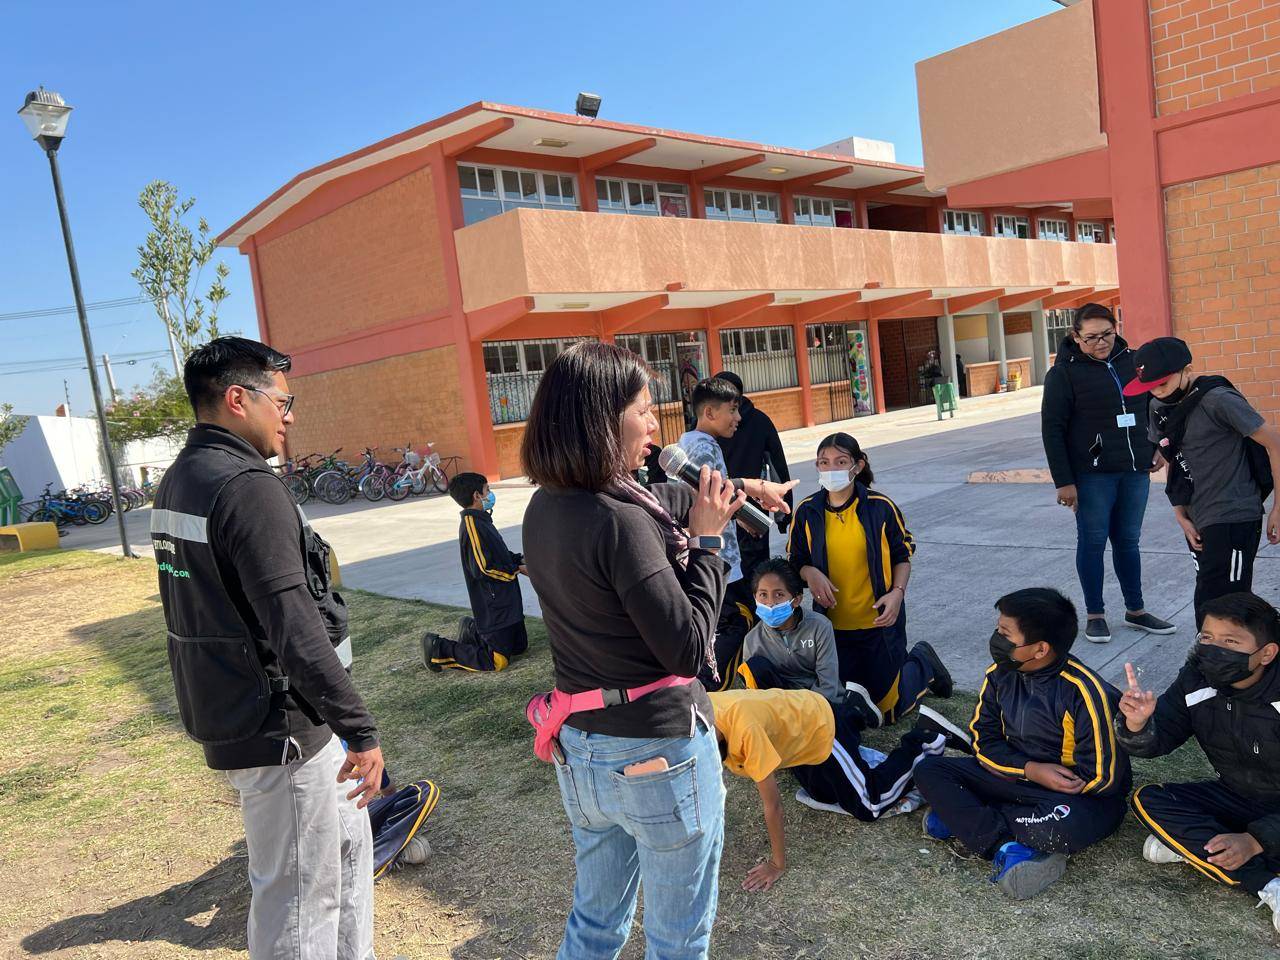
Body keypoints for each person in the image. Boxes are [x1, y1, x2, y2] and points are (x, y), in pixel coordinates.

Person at [519, 341, 792, 959]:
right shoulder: (620, 524)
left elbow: (662, 504)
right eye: (643, 410)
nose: (655, 425)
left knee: (595, 924)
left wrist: (742, 488)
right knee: (677, 939)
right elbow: (689, 649)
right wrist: (709, 545)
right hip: (656, 755)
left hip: (584, 751)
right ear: (600, 419)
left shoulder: (548, 507)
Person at [152, 337, 382, 960]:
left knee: (345, 854)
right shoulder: (247, 486)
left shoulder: (181, 478)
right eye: (282, 400)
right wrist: (360, 730)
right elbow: (293, 624)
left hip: (242, 709)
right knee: (301, 897)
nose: (290, 414)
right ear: (236, 399)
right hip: (284, 725)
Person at [914, 588, 1131, 901]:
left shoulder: (1084, 691)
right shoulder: (999, 675)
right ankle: (1003, 843)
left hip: (1074, 796)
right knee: (930, 770)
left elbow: (1103, 778)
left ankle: (968, 820)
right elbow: (982, 740)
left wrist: (1045, 778)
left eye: (1005, 633)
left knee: (1058, 826)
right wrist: (1029, 769)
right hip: (1017, 777)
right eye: (997, 629)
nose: (996, 639)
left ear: (1040, 649)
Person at [1117, 592, 1280, 932]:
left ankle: (1204, 847)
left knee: (1170, 839)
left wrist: (1254, 841)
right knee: (1150, 799)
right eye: (1207, 637)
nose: (1213, 648)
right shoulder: (1196, 678)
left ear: (1267, 653)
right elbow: (1158, 740)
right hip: (1236, 794)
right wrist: (1138, 724)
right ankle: (1269, 882)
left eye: (1230, 641)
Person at [709, 686, 970, 891]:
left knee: (870, 804)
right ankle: (854, 711)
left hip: (820, 728)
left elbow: (773, 805)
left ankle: (925, 738)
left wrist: (777, 864)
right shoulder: (695, 708)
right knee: (822, 794)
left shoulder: (746, 731)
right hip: (796, 736)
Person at [787, 432, 952, 724]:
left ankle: (922, 661)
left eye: (841, 461)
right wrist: (809, 572)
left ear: (858, 466)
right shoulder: (806, 511)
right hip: (833, 629)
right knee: (850, 708)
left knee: (886, 713)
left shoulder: (880, 507)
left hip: (879, 625)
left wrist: (897, 593)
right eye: (824, 462)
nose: (832, 469)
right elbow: (795, 560)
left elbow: (903, 556)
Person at [1041, 302, 1175, 643]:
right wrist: (1065, 482)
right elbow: (1052, 429)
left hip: (1134, 471)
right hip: (1092, 475)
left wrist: (1159, 445)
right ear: (1075, 336)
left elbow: (1154, 406)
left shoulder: (1133, 362)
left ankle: (1136, 610)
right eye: (1092, 337)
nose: (1101, 343)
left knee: (1128, 541)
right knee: (1093, 541)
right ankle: (1095, 614)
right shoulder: (1064, 373)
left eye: (1107, 334)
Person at [1124, 336, 1280, 626]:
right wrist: (1180, 512)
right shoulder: (1158, 405)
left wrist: (1278, 509)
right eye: (1150, 386)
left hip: (1234, 514)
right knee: (1210, 602)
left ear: (1187, 370)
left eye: (1163, 383)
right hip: (1197, 518)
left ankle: (1226, 664)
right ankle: (1214, 663)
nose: (1157, 391)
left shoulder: (1218, 399)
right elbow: (1175, 456)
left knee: (1225, 604)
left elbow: (1275, 443)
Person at [678, 377, 757, 689]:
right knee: (731, 624)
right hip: (718, 559)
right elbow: (716, 492)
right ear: (709, 413)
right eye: (733, 410)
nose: (738, 418)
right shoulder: (705, 447)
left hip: (709, 553)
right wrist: (753, 491)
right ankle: (712, 689)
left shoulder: (689, 441)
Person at [422, 472, 528, 673]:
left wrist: (520, 560)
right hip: (494, 605)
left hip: (508, 600)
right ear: (476, 496)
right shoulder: (471, 525)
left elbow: (500, 555)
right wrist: (517, 569)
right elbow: (483, 568)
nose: (490, 494)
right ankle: (438, 649)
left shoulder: (482, 520)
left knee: (519, 647)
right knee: (498, 662)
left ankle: (472, 631)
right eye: (487, 490)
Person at [712, 369, 794, 574]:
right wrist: (784, 515)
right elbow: (778, 465)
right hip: (753, 504)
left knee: (727, 570)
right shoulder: (760, 420)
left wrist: (784, 513)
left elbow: (777, 464)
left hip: (725, 505)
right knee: (755, 570)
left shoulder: (709, 425)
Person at [738, 557, 843, 704]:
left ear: (796, 600)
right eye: (763, 595)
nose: (770, 603)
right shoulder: (752, 640)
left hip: (818, 703)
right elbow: (755, 693)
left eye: (779, 594)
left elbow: (828, 684)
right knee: (755, 667)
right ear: (755, 597)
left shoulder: (820, 627)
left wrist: (809, 712)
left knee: (844, 720)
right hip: (780, 706)